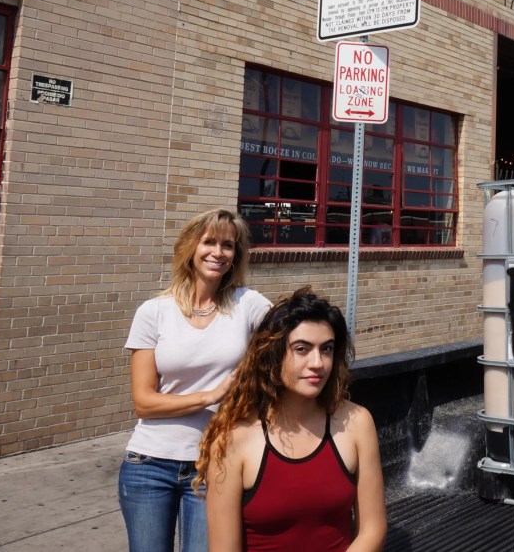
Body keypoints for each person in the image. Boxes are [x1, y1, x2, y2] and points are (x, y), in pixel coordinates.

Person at [118, 208, 271, 552]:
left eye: (228, 245)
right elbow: (144, 402)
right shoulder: (153, 312)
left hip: (215, 463)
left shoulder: (247, 304)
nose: (218, 252)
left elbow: (290, 336)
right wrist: (212, 395)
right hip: (148, 465)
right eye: (209, 242)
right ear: (190, 247)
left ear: (236, 256)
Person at [196, 288, 386, 552]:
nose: (318, 362)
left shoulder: (357, 422)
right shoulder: (232, 438)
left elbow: (372, 530)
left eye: (327, 349)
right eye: (301, 349)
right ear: (273, 355)